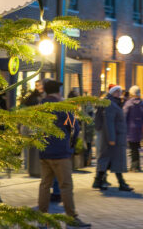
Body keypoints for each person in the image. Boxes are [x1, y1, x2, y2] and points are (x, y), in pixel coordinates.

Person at [37, 79, 91, 228]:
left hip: (44, 151)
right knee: (66, 186)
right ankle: (71, 218)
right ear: (57, 91)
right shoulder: (62, 107)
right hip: (61, 152)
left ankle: (42, 219)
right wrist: (71, 145)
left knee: (44, 185)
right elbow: (75, 128)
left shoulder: (40, 106)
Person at [93, 85, 133, 192]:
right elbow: (109, 122)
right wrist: (111, 138)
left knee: (110, 159)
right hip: (112, 137)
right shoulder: (110, 103)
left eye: (120, 91)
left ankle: (98, 181)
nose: (119, 93)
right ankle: (120, 183)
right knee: (112, 159)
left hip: (114, 136)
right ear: (112, 92)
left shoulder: (113, 102)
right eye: (117, 91)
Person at [123, 85, 143, 172]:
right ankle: (137, 165)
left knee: (132, 148)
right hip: (139, 128)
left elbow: (124, 116)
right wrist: (140, 123)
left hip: (130, 128)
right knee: (136, 147)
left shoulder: (128, 104)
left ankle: (134, 166)